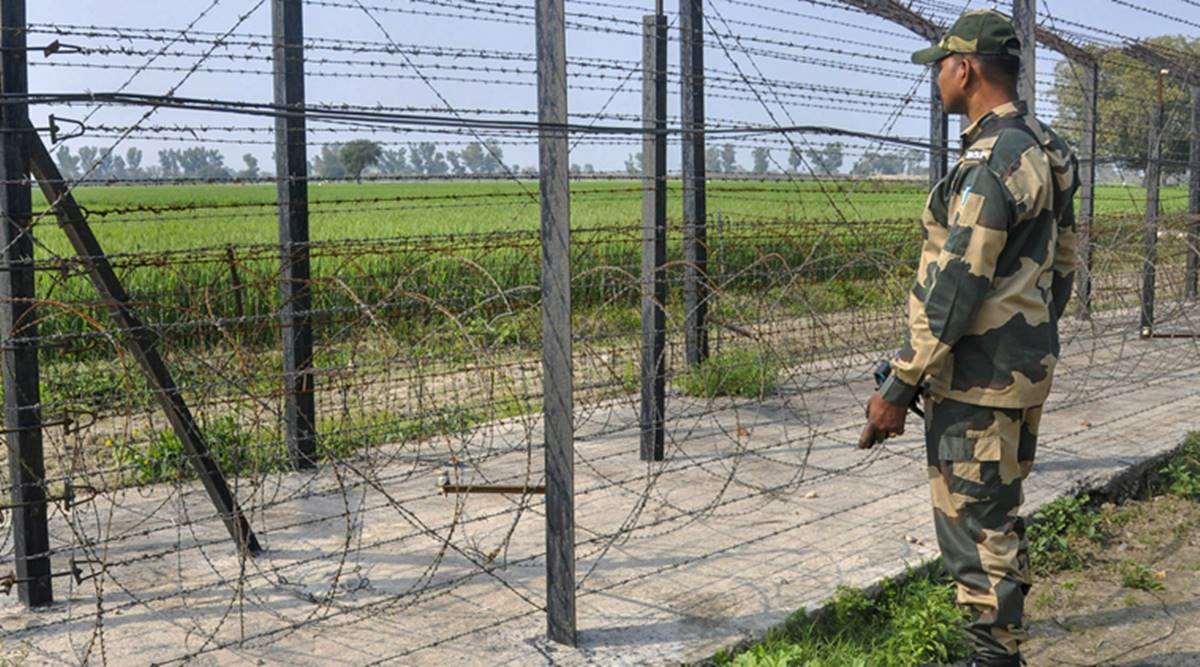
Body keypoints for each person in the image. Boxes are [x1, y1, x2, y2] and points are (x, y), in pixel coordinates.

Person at [858, 9, 1080, 667]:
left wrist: (899, 383)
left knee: (976, 535)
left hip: (978, 381)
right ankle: (999, 647)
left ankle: (991, 658)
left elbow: (955, 286)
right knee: (1000, 520)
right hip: (1021, 368)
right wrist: (1029, 336)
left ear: (967, 69)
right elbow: (1063, 266)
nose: (938, 81)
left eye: (943, 68)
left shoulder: (990, 163)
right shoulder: (1049, 148)